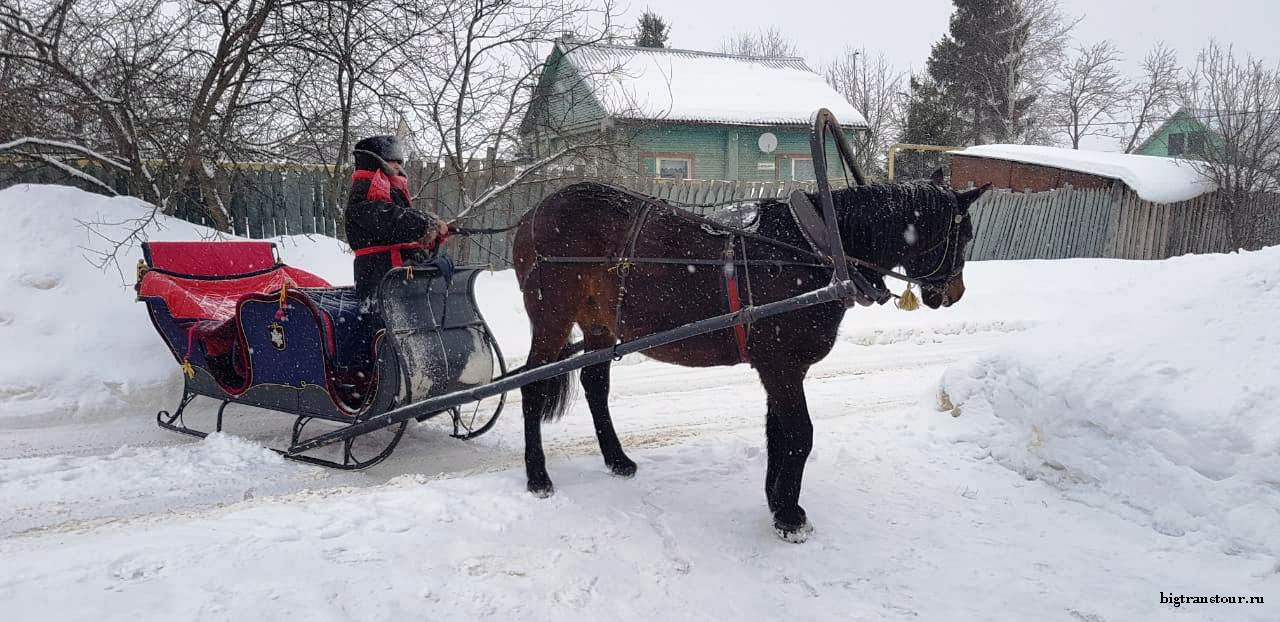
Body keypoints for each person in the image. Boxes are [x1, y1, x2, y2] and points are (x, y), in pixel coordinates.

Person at [345, 135, 450, 300]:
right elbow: (391, 221)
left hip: (393, 275)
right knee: (381, 322)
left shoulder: (389, 187)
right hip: (378, 276)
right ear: (376, 160)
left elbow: (400, 227)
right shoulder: (365, 189)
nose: (398, 165)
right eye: (392, 160)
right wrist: (428, 224)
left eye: (399, 161)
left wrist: (427, 237)